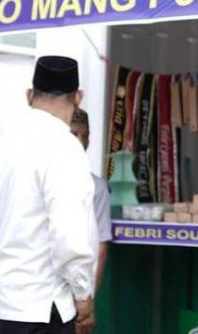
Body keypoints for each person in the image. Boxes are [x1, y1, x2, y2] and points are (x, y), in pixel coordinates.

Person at [0, 56, 98, 334]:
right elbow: (70, 235)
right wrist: (83, 294)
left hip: (7, 301)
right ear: (78, 97)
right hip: (43, 303)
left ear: (29, 95)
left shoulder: (5, 143)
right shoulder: (65, 147)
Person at [70, 108, 112, 296]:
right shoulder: (42, 179)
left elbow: (101, 247)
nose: (79, 141)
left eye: (84, 135)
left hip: (78, 285)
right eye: (73, 134)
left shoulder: (97, 187)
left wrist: (89, 297)